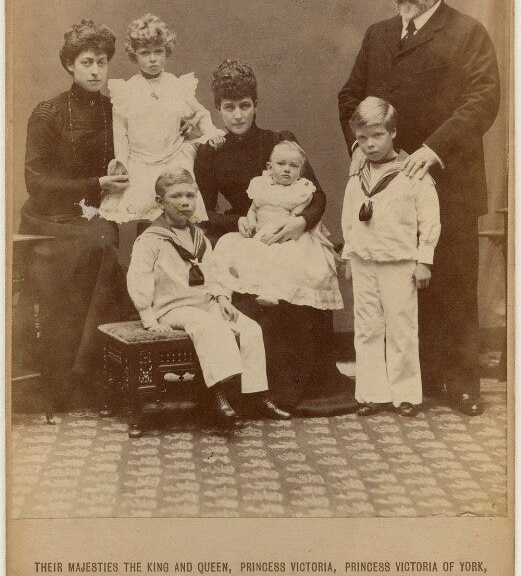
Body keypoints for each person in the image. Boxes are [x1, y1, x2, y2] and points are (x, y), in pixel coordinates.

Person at [337, 0, 500, 415]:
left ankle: (461, 382)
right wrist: (360, 148)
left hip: (450, 180)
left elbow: (484, 98)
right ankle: (415, 379)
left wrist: (433, 149)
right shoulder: (379, 35)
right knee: (399, 290)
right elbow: (350, 96)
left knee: (452, 284)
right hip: (387, 191)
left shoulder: (467, 32)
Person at [195, 59, 356, 415]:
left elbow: (317, 196)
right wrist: (237, 221)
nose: (238, 115)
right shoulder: (210, 152)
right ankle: (257, 389)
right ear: (218, 108)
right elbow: (203, 213)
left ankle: (304, 383)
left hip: (292, 229)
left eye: (245, 105)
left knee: (306, 268)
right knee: (248, 272)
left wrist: (302, 223)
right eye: (229, 108)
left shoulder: (279, 141)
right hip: (247, 232)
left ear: (256, 104)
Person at [20, 19, 130, 409]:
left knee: (104, 243)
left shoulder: (115, 111)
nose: (96, 71)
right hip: (48, 218)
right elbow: (36, 183)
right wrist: (96, 183)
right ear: (70, 65)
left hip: (92, 216)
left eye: (102, 62)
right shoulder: (47, 114)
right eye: (87, 62)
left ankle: (95, 374)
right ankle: (65, 377)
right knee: (95, 247)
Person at [126, 168, 291, 426]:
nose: (185, 202)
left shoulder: (199, 237)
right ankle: (217, 395)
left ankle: (255, 395)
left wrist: (222, 299)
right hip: (172, 308)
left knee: (250, 329)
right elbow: (138, 278)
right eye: (176, 196)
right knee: (211, 326)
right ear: (160, 202)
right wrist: (148, 318)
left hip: (205, 303)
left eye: (190, 195)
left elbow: (214, 274)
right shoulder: (151, 239)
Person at [341, 97, 440, 417]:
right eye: (362, 138)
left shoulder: (412, 173)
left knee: (401, 327)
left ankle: (406, 394)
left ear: (393, 132)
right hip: (364, 260)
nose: (370, 144)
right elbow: (349, 217)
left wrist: (424, 260)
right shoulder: (357, 175)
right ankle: (373, 393)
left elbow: (429, 218)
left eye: (377, 135)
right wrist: (349, 255)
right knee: (367, 328)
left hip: (399, 261)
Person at [99, 13, 224, 224]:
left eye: (158, 51)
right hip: (140, 162)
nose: (153, 59)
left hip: (173, 158)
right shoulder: (126, 91)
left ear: (167, 51)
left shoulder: (177, 85)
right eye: (145, 53)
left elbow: (201, 113)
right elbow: (120, 133)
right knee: (145, 215)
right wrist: (122, 162)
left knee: (178, 212)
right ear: (134, 55)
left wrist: (209, 131)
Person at [213, 140, 343, 310]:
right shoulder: (261, 185)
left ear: (301, 172)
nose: (287, 169)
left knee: (281, 258)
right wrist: (251, 222)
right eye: (281, 164)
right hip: (260, 231)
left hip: (283, 234)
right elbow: (253, 209)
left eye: (293, 166)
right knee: (236, 248)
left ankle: (272, 292)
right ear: (269, 167)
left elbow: (294, 218)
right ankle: (226, 289)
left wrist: (275, 233)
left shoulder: (300, 190)